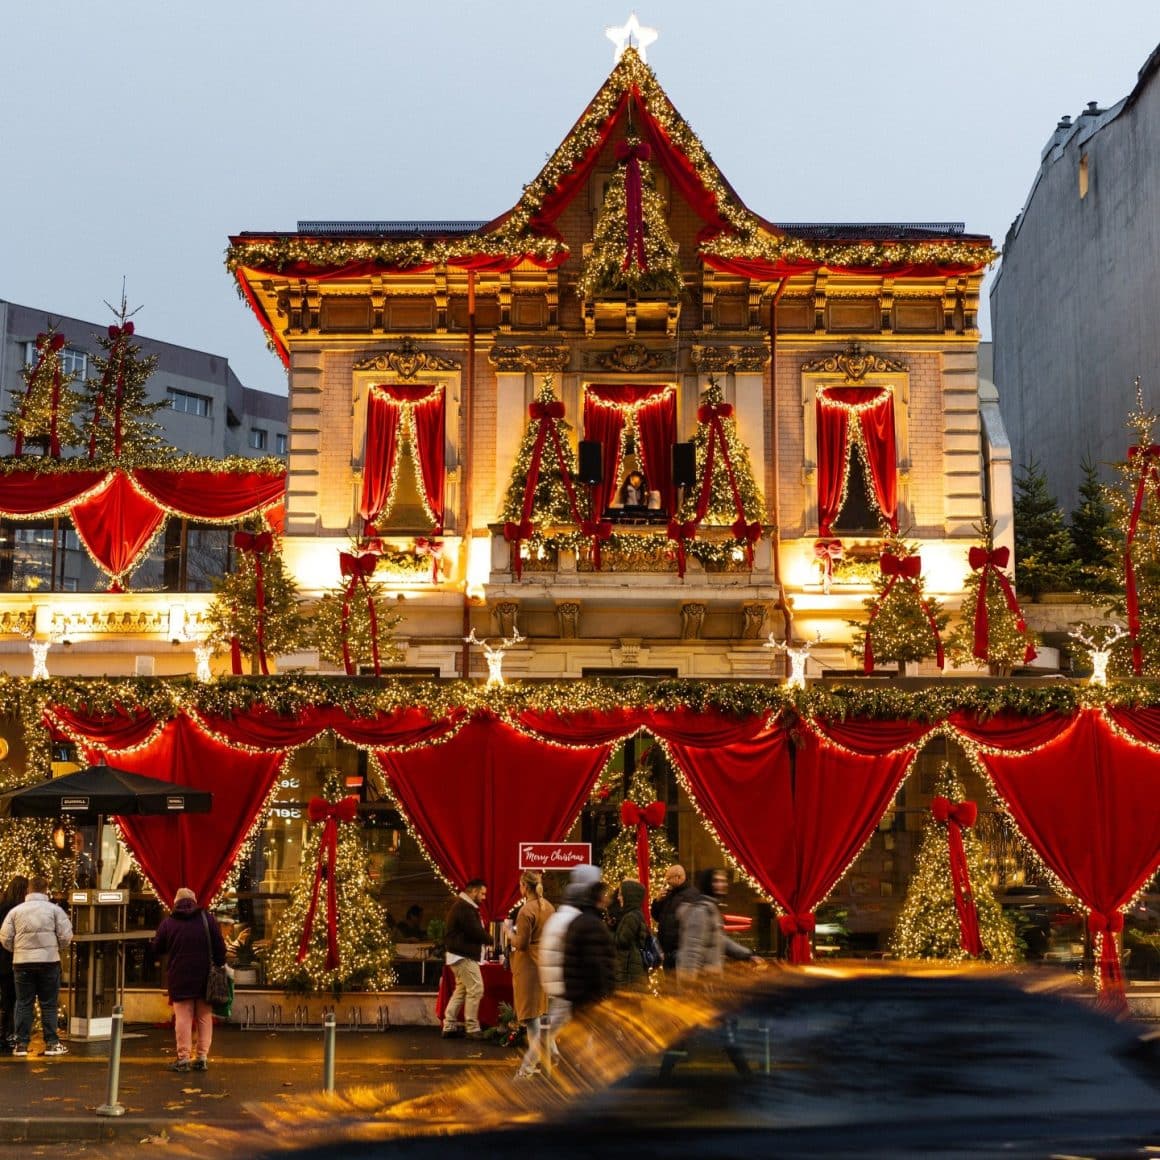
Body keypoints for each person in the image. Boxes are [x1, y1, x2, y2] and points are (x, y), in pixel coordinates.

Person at [664, 867, 764, 1078]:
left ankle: (663, 1075)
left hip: (708, 986)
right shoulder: (701, 911)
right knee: (724, 1034)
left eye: (723, 881)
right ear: (708, 884)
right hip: (703, 987)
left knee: (694, 1035)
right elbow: (692, 949)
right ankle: (748, 1077)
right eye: (717, 881)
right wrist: (689, 987)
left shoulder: (710, 909)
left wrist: (747, 955)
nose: (722, 884)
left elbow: (720, 941)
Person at [150, 887, 226, 1073]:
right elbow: (220, 947)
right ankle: (201, 1057)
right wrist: (219, 963)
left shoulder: (169, 922)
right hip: (205, 976)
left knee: (183, 1018)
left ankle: (183, 1058)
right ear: (194, 901)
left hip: (179, 976)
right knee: (204, 1017)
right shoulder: (206, 919)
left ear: (176, 903)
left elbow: (157, 948)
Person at [0, 874, 72, 1057]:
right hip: (49, 962)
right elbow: (66, 936)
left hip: (22, 963)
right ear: (45, 889)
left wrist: (18, 950)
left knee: (23, 1003)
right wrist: (55, 948)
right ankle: (52, 1044)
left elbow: (5, 937)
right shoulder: (55, 911)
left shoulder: (16, 912)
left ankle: (21, 1044)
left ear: (29, 890)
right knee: (48, 1004)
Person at [539, 863, 602, 1061]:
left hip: (561, 982)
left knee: (566, 1024)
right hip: (568, 983)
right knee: (579, 1027)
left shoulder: (561, 916)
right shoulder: (576, 919)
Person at [510, 870, 555, 1079]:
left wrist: (509, 935)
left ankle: (527, 1068)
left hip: (529, 966)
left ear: (524, 887)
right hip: (544, 962)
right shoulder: (548, 907)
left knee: (531, 1018)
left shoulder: (525, 912)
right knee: (539, 1013)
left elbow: (522, 944)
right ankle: (552, 1053)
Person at [441, 878, 489, 1040]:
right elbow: (475, 932)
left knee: (461, 990)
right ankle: (472, 1027)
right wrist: (493, 940)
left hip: (457, 955)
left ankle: (449, 1026)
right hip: (463, 956)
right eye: (482, 893)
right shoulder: (465, 908)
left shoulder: (463, 906)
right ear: (473, 891)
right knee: (476, 988)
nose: (483, 897)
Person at [561, 874, 616, 1013]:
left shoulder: (578, 921)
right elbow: (596, 963)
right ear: (600, 899)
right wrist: (605, 991)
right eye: (606, 896)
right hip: (589, 996)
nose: (608, 899)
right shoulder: (594, 925)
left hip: (577, 993)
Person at [0, 875, 29, 1054]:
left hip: (2, 960)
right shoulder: (18, 911)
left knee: (7, 1000)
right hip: (11, 961)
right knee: (13, 1000)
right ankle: (9, 1034)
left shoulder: (2, 907)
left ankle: (5, 1035)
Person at [651, 863, 695, 971]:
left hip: (682, 952)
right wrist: (657, 901)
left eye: (668, 879)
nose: (667, 882)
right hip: (668, 952)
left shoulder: (692, 895)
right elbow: (657, 917)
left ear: (678, 877)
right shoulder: (668, 895)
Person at [613, 880, 648, 988]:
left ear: (629, 896)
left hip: (629, 971)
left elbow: (622, 941)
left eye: (620, 894)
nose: (618, 898)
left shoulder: (631, 917)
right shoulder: (636, 914)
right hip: (633, 968)